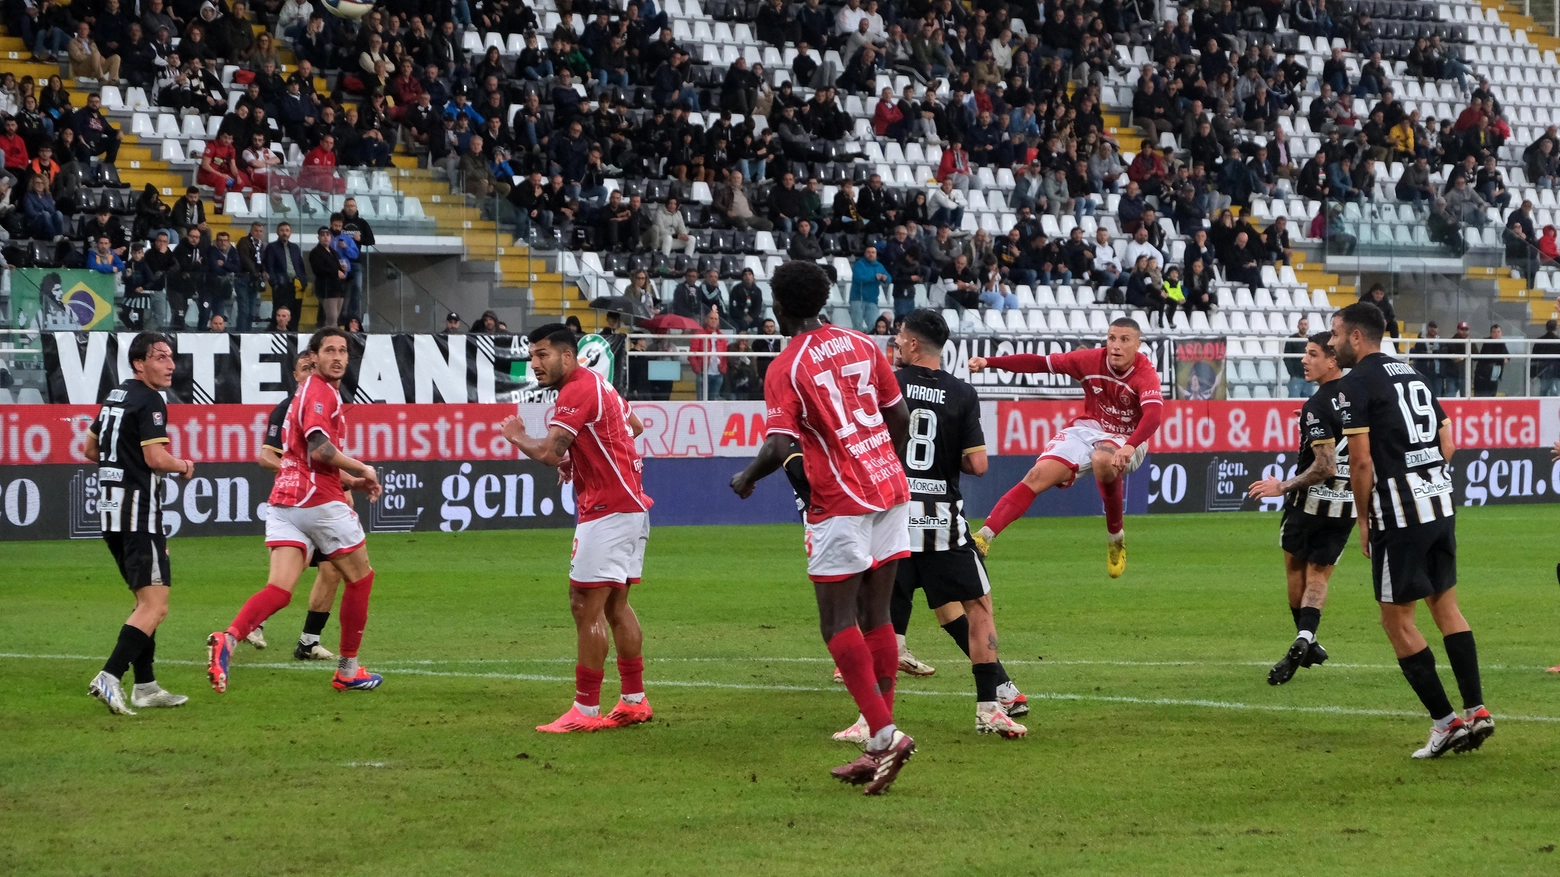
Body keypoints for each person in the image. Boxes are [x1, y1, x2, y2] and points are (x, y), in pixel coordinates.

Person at [730, 259, 916, 795]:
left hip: (840, 498)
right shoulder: (863, 344)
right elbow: (898, 419)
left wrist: (746, 477)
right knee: (876, 613)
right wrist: (883, 463)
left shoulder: (785, 366)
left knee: (836, 622)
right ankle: (877, 743)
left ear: (779, 305)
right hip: (889, 488)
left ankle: (883, 736)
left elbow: (779, 446)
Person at [833, 309, 1030, 743]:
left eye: (899, 338)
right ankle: (989, 709)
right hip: (941, 522)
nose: (896, 344)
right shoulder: (962, 393)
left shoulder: (889, 384)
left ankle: (871, 721)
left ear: (913, 345)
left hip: (893, 519)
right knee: (979, 608)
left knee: (879, 619)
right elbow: (978, 464)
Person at [1332, 302, 1492, 758]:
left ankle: (1446, 724)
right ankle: (1477, 709)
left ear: (1357, 337)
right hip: (1439, 504)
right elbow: (1448, 439)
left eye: (1337, 333)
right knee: (1447, 607)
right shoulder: (1411, 373)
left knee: (1396, 620)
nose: (1332, 342)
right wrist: (1428, 477)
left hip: (1399, 513)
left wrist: (1363, 520)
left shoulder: (1355, 383)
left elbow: (1361, 461)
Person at [206, 328, 385, 695]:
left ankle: (229, 638)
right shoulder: (320, 391)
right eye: (329, 350)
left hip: (285, 502)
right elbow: (320, 450)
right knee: (360, 579)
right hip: (317, 502)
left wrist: (349, 480)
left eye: (343, 351)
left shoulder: (303, 392)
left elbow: (305, 457)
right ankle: (348, 670)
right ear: (314, 356)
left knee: (280, 589)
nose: (337, 357)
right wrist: (362, 469)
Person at [499, 324, 655, 733]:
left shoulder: (576, 391)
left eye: (543, 355)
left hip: (607, 511)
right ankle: (634, 701)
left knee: (583, 606)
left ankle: (585, 711)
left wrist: (516, 436)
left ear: (568, 357)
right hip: (630, 506)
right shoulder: (599, 384)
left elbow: (549, 451)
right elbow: (634, 427)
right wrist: (581, 459)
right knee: (615, 607)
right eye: (532, 356)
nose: (535, 364)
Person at [967, 320, 1164, 575]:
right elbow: (1040, 363)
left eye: (1124, 340)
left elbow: (1154, 416)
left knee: (1103, 459)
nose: (1116, 346)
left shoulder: (1145, 373)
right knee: (1037, 475)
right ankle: (984, 537)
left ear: (1137, 345)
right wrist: (989, 362)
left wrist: (1130, 446)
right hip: (1088, 428)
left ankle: (1116, 538)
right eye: (1112, 338)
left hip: (1128, 437)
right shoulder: (1089, 360)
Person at [85, 332, 196, 715]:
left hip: (111, 512)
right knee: (156, 605)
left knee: (144, 602)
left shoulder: (117, 394)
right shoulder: (151, 399)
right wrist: (183, 466)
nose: (170, 365)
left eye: (170, 357)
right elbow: (156, 459)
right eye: (160, 357)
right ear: (139, 363)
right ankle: (110, 676)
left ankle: (145, 685)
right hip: (138, 513)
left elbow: (88, 448)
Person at [1247, 333, 1350, 685]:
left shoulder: (1318, 404)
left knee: (1295, 567)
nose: (1304, 360)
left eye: (1312, 354)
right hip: (1346, 505)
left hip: (1309, 503)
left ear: (1332, 360)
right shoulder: (1361, 396)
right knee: (1318, 576)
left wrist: (1282, 487)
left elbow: (1325, 466)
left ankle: (1306, 637)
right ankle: (1309, 638)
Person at [258, 350, 342, 661]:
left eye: (312, 366)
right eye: (303, 368)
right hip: (296, 504)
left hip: (321, 502)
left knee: (333, 569)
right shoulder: (287, 409)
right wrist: (297, 472)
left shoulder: (325, 404)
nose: (309, 371)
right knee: (287, 577)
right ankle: (249, 625)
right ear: (295, 376)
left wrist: (342, 487)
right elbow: (265, 456)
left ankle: (309, 641)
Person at [690, 308, 727, 399]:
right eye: (711, 318)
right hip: (703, 373)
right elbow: (692, 355)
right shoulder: (699, 335)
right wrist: (698, 370)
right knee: (702, 402)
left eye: (716, 319)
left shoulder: (722, 337)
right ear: (706, 320)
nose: (713, 321)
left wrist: (723, 369)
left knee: (713, 403)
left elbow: (725, 356)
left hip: (718, 374)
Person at [850, 245, 889, 330]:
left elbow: (889, 278)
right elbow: (858, 278)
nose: (871, 254)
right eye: (868, 252)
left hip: (872, 300)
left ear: (876, 254)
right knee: (857, 325)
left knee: (873, 325)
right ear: (865, 254)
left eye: (873, 252)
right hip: (858, 299)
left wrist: (885, 278)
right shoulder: (859, 264)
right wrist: (874, 278)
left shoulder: (879, 266)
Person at [1473, 325, 1508, 396]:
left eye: (1498, 332)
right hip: (1483, 378)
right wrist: (1502, 359)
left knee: (1492, 399)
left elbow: (1507, 355)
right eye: (1494, 332)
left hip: (1494, 378)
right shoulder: (1487, 343)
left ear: (1501, 333)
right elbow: (1490, 357)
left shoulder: (1502, 343)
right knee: (1481, 400)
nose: (1496, 334)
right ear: (1491, 334)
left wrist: (1506, 358)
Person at [1285, 316, 1315, 398]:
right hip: (1296, 377)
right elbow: (1286, 358)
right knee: (1293, 403)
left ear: (1308, 326)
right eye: (1301, 324)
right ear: (1298, 326)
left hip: (1309, 378)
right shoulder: (1291, 339)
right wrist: (1292, 374)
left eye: (1305, 324)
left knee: (1308, 404)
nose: (1303, 326)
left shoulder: (1312, 340)